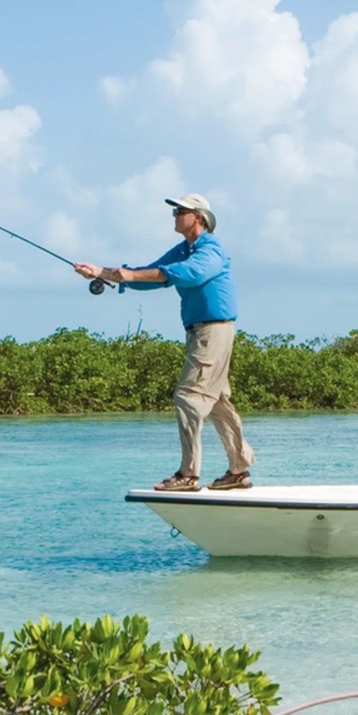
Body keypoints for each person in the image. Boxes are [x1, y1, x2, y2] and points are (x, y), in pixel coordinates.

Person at [75, 194, 255, 492]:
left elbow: (190, 274)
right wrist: (102, 273)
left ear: (198, 217)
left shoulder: (211, 249)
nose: (174, 216)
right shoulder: (183, 249)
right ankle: (238, 470)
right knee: (217, 402)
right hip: (202, 331)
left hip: (213, 331)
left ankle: (188, 474)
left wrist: (131, 274)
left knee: (188, 396)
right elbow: (150, 273)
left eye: (180, 211)